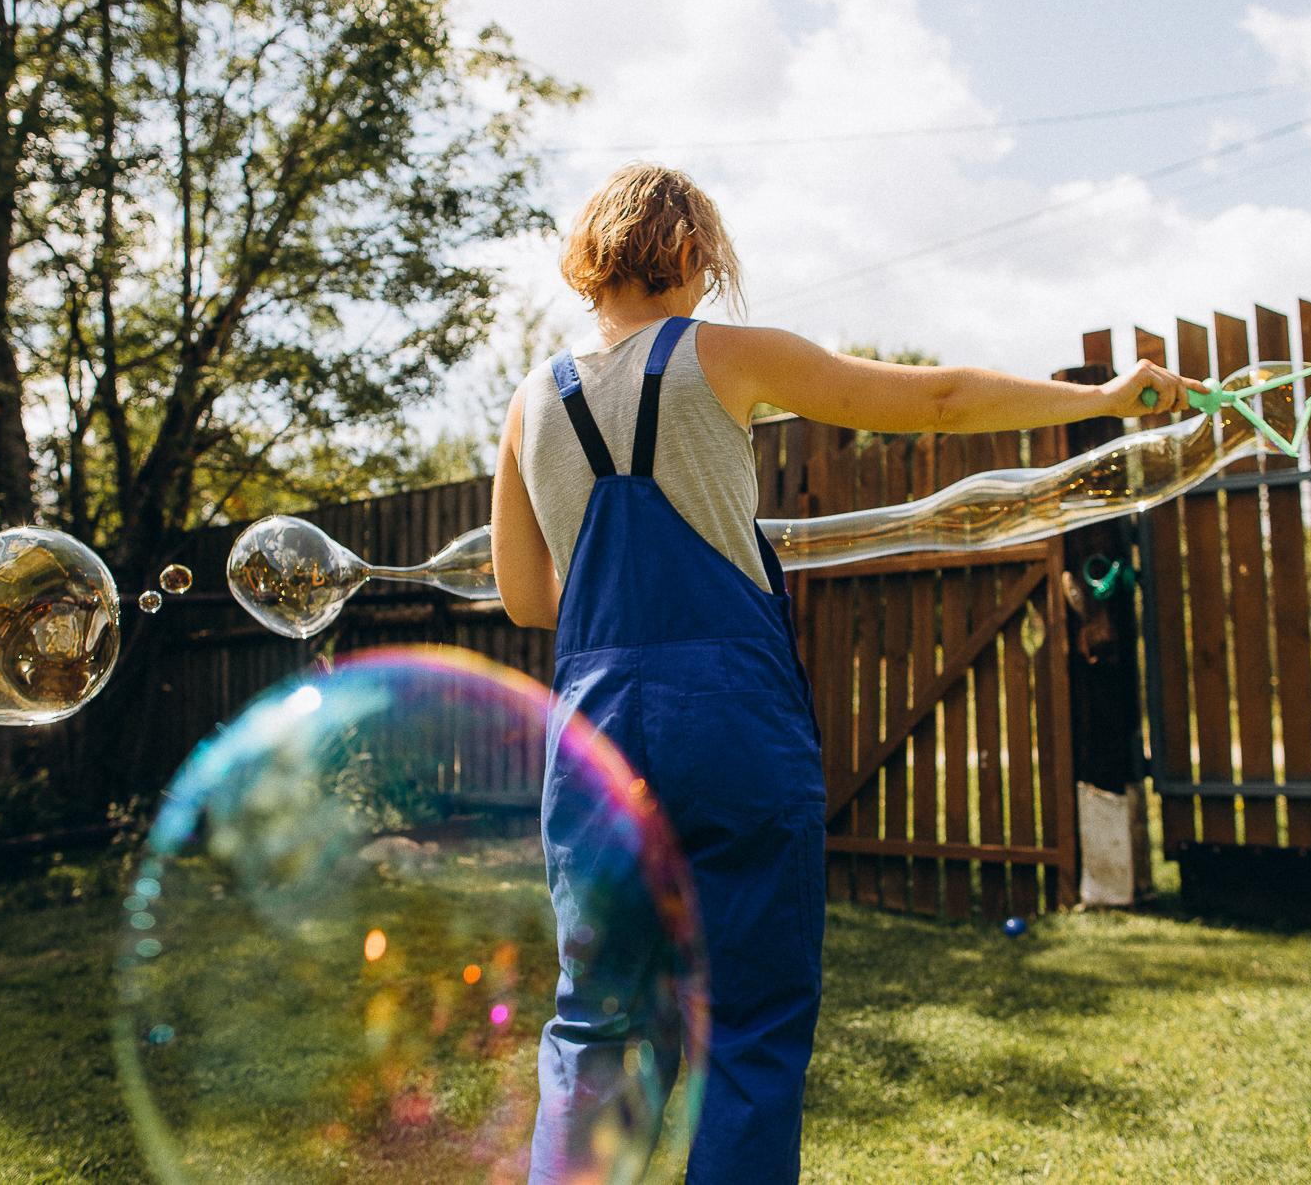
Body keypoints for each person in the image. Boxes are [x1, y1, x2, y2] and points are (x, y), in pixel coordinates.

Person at [490, 162, 1199, 1183]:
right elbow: (941, 400)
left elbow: (527, 599)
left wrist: (627, 606)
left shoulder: (528, 402)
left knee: (595, 1025)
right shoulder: (727, 357)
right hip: (728, 718)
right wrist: (1094, 396)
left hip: (594, 728)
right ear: (690, 254)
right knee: (752, 1022)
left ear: (589, 263)